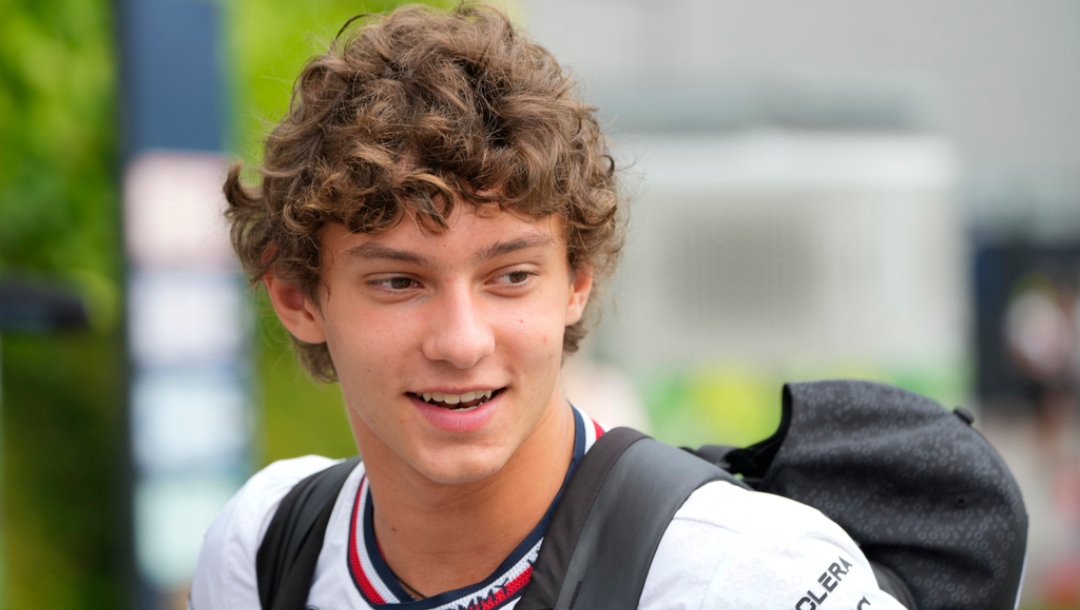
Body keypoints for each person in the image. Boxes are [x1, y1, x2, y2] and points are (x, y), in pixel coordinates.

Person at [190, 4, 906, 609]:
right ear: (296, 295)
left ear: (578, 281)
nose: (462, 342)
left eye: (511, 276)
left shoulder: (739, 572)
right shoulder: (264, 546)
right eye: (399, 282)